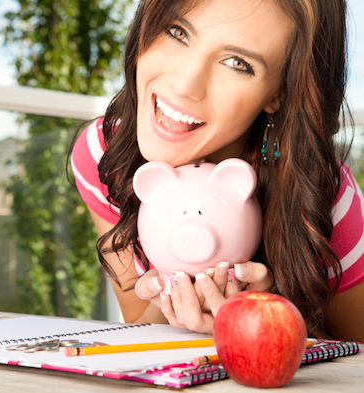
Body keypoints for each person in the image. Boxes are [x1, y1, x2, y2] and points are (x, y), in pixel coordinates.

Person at [71, 0, 364, 341]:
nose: (184, 85)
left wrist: (269, 317)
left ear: (280, 92)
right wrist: (173, 303)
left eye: (237, 63)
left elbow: (357, 361)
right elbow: (138, 320)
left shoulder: (323, 197)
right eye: (177, 32)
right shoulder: (105, 156)